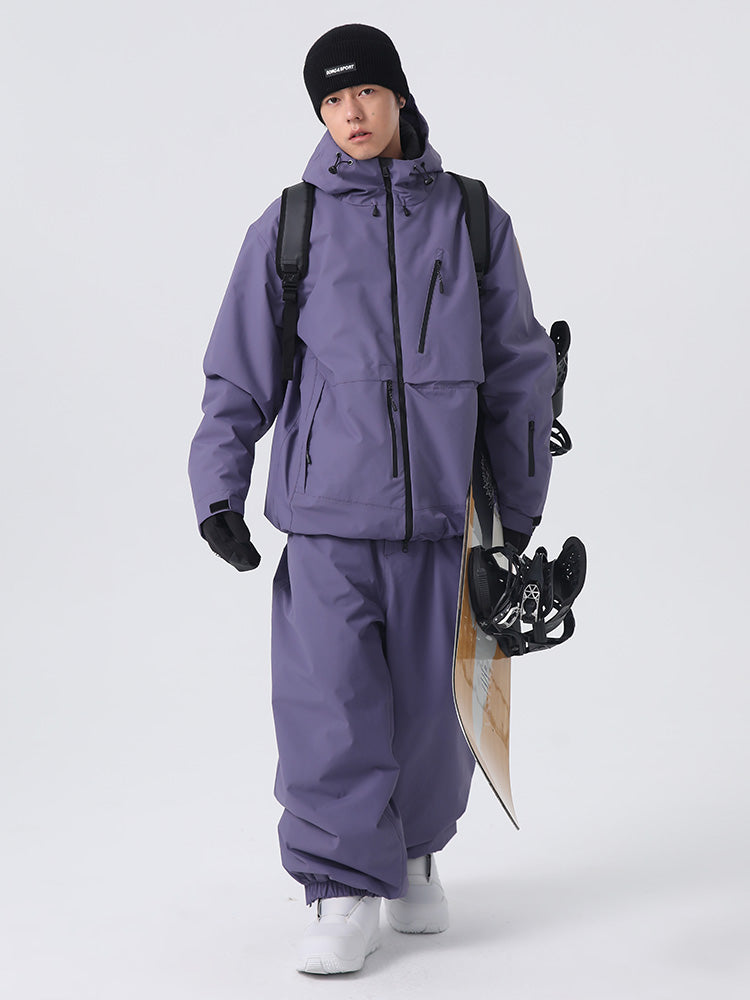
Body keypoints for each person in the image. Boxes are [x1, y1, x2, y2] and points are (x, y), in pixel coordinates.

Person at [188, 23, 557, 975]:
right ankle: (340, 887)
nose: (350, 113)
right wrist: (218, 486)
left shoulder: (473, 217)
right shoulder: (291, 224)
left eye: (364, 92)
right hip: (325, 520)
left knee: (436, 711)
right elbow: (239, 369)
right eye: (331, 100)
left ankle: (417, 852)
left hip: (442, 519)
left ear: (397, 95)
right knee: (330, 704)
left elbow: (520, 371)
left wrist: (519, 508)